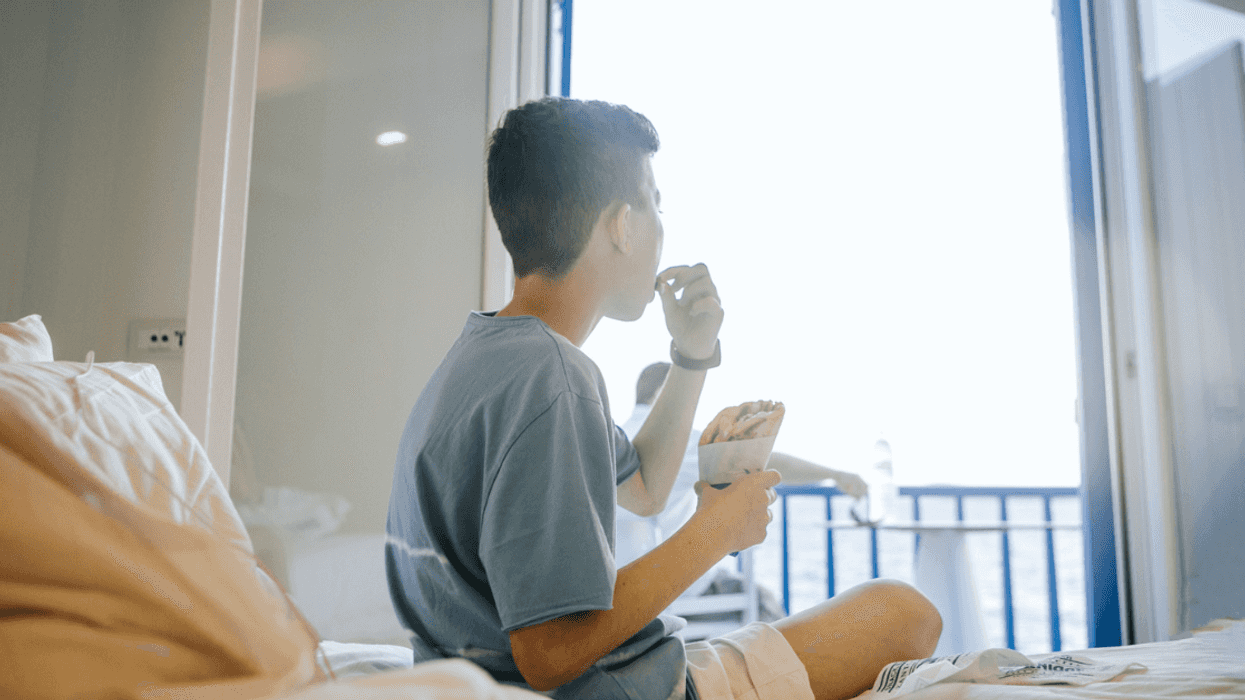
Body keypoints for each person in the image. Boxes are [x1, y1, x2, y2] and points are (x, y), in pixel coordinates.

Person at [385, 97, 941, 700]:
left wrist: (693, 353)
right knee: (905, 612)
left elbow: (646, 489)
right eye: (655, 203)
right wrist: (715, 531)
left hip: (549, 673)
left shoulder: (487, 356)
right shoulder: (555, 378)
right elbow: (550, 652)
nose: (659, 224)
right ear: (623, 224)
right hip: (620, 689)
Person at [617, 362, 869, 622]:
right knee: (764, 605)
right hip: (676, 594)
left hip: (622, 594)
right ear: (666, 393)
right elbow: (766, 462)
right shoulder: (680, 442)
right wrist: (835, 474)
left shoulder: (614, 442)